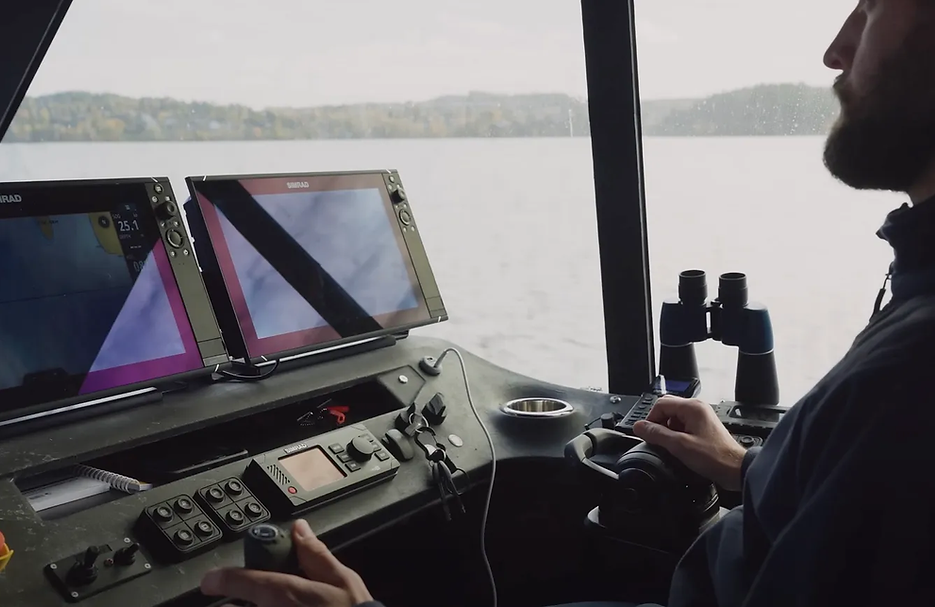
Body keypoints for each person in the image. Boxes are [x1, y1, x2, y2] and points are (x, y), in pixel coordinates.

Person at [200, 2, 935, 605]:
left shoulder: (909, 375)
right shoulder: (913, 306)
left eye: (871, 6)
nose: (838, 47)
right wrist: (747, 468)